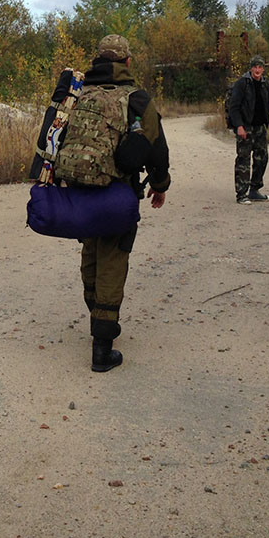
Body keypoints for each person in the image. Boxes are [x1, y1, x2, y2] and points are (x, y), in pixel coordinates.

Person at [72, 34, 170, 372]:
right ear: (126, 63)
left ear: (98, 60)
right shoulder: (137, 99)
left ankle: (95, 313)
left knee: (91, 251)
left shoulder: (78, 94)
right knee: (113, 259)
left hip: (79, 193)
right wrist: (160, 185)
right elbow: (157, 148)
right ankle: (102, 347)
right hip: (116, 194)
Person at [227, 55, 269, 204]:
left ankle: (254, 190)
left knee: (262, 158)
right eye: (255, 67)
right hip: (245, 127)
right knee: (243, 160)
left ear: (263, 69)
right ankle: (241, 194)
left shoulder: (265, 85)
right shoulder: (242, 84)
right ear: (251, 68)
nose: (257, 70)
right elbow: (234, 107)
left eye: (260, 67)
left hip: (260, 128)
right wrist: (239, 126)